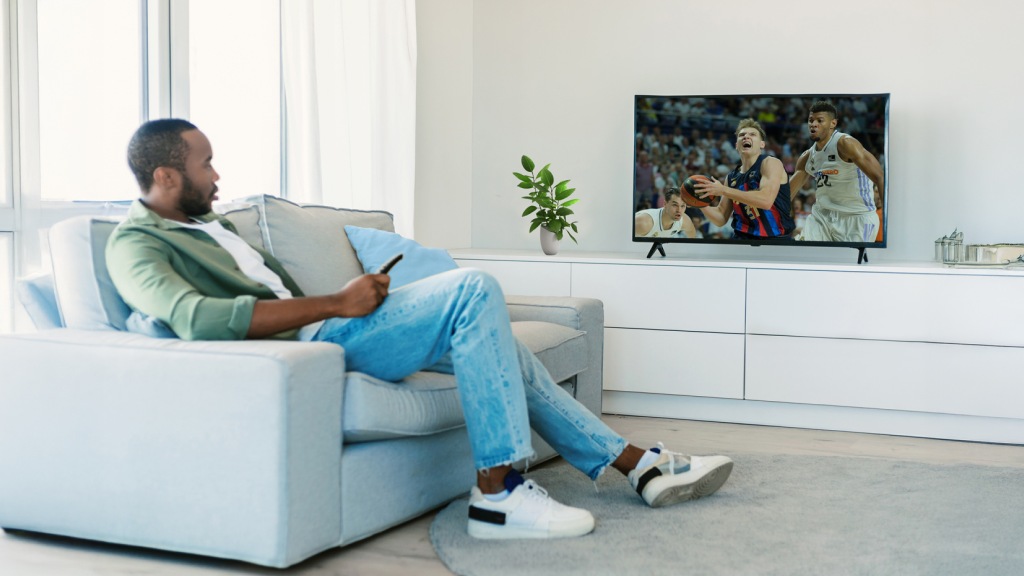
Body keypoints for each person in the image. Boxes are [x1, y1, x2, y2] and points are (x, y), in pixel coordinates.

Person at [107, 119, 734, 541]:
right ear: (166, 176)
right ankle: (498, 488)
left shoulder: (213, 227)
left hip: (335, 327)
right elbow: (193, 318)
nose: (218, 176)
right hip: (313, 345)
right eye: (206, 164)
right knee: (473, 286)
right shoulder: (135, 243)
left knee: (500, 340)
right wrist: (341, 302)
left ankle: (638, 465)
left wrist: (360, 300)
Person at [788, 100, 885, 242]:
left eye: (820, 120)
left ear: (833, 123)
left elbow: (880, 177)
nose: (813, 124)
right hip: (822, 217)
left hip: (856, 217)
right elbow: (786, 196)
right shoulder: (807, 157)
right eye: (811, 120)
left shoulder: (846, 144)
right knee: (803, 254)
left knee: (850, 262)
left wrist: (890, 220)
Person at [695, 118, 794, 239]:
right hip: (742, 239)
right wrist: (699, 203)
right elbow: (721, 217)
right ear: (736, 145)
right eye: (742, 135)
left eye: (752, 134)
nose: (746, 137)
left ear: (762, 144)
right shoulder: (731, 177)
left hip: (775, 239)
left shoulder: (770, 162)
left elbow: (766, 200)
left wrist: (723, 190)